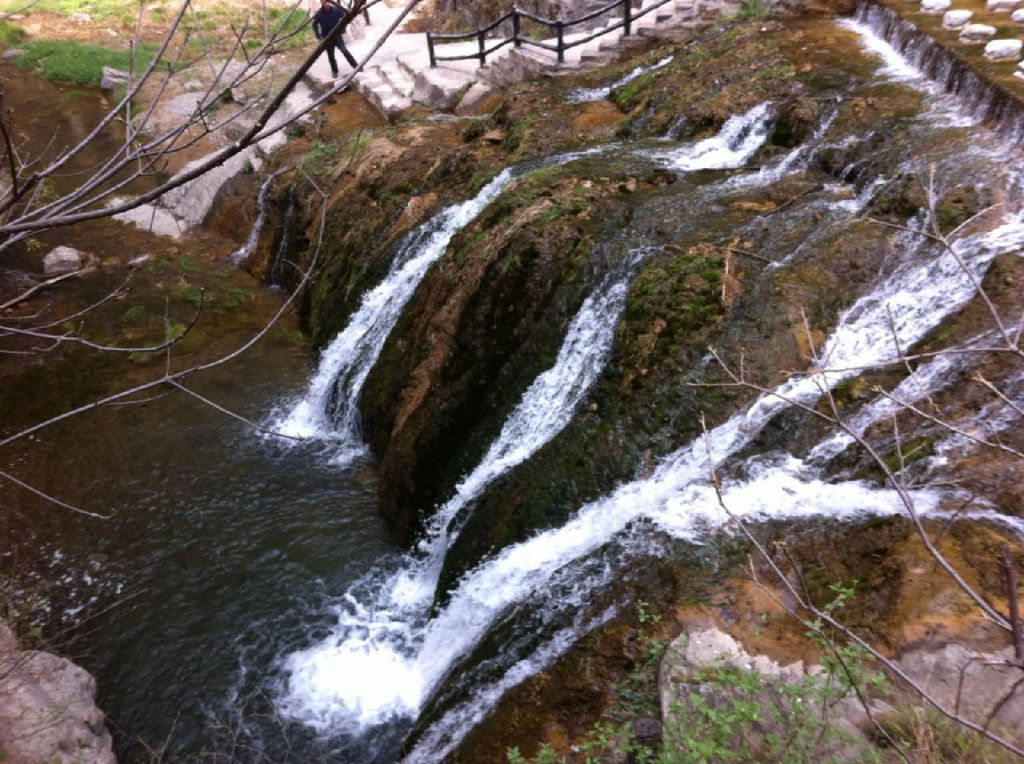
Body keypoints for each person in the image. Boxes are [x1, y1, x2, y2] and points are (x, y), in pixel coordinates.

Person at [312, 0, 358, 77]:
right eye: (324, 2)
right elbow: (314, 24)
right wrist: (318, 34)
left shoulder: (336, 10)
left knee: (344, 50)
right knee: (331, 55)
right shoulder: (319, 13)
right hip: (327, 38)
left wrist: (343, 28)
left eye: (327, 2)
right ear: (321, 3)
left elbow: (345, 18)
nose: (326, 4)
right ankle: (334, 71)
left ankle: (356, 66)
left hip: (337, 36)